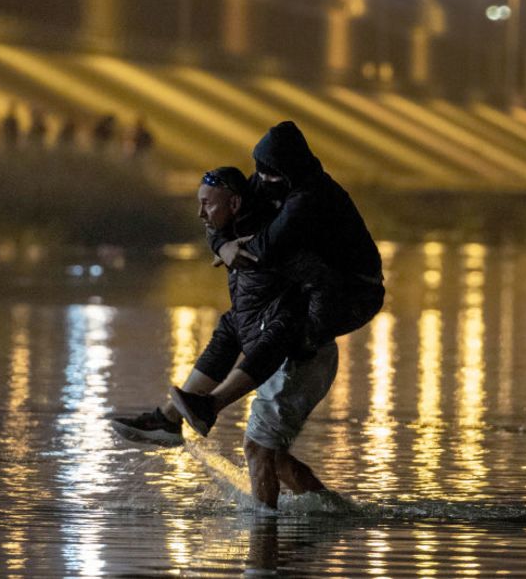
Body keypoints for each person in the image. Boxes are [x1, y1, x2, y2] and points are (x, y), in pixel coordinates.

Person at [113, 167, 337, 509]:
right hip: (276, 345)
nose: (201, 213)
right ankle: (330, 513)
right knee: (272, 455)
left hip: (300, 357)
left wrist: (215, 402)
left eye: (208, 204)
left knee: (257, 448)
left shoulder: (268, 243)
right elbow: (235, 325)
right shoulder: (233, 231)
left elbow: (276, 337)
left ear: (234, 203)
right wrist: (222, 243)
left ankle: (264, 533)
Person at [169, 121, 384, 438]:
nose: (262, 181)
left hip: (354, 293)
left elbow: (264, 250)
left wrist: (311, 335)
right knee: (234, 325)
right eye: (260, 172)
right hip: (311, 284)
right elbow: (227, 214)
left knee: (285, 327)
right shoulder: (270, 179)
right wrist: (222, 245)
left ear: (289, 171)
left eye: (270, 174)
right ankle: (170, 418)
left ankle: (211, 406)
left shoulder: (309, 196)